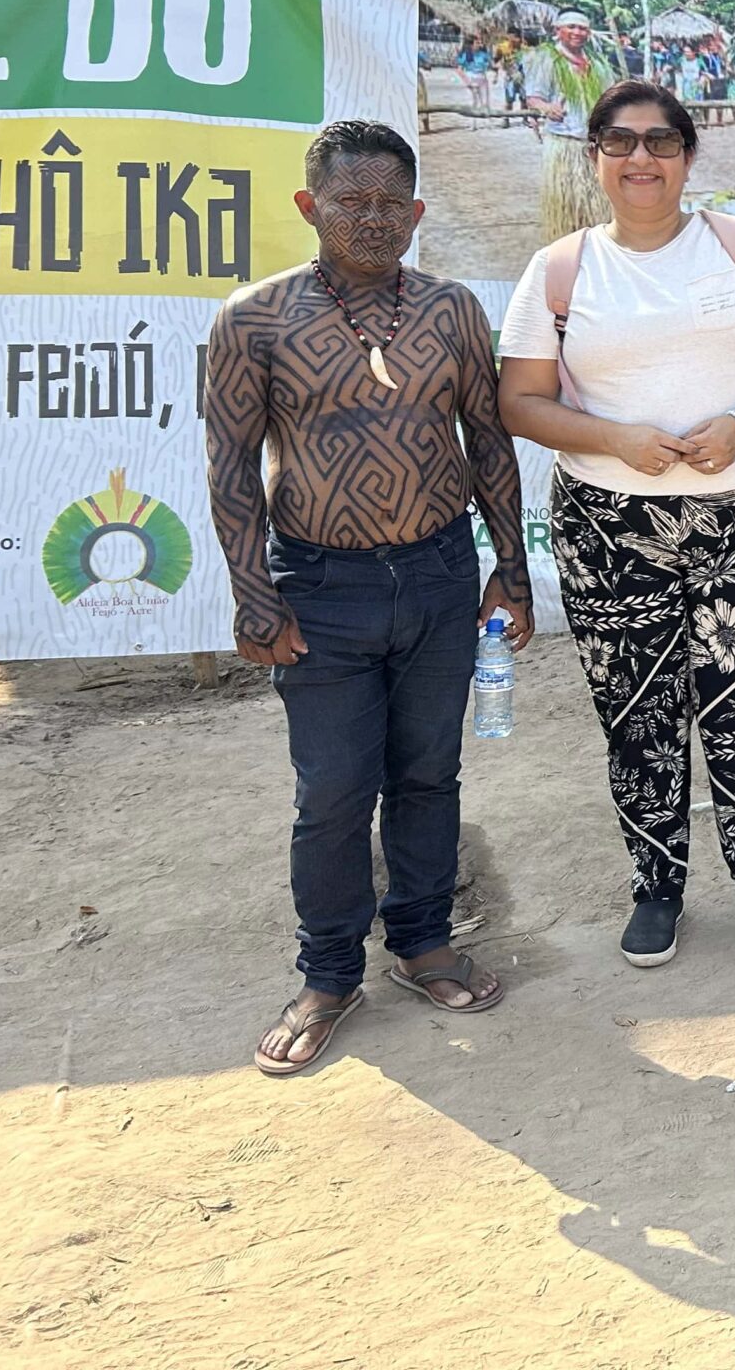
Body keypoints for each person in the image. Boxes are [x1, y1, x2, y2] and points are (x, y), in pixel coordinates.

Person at [205, 120, 532, 1077]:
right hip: (321, 586)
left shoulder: (454, 310)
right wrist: (253, 594)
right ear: (310, 206)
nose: (374, 220)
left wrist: (510, 569)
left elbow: (490, 446)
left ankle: (423, 940)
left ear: (419, 212)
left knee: (429, 774)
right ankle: (328, 973)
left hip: (438, 577)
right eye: (352, 201)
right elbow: (229, 467)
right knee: (335, 792)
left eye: (393, 203)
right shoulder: (254, 320)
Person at [497, 81, 735, 967]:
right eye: (620, 142)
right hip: (608, 526)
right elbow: (521, 401)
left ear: (689, 157)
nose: (641, 159)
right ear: (595, 158)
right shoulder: (562, 269)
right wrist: (613, 436)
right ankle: (657, 887)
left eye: (660, 142)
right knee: (636, 711)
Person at [523, 9, 617, 239]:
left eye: (582, 28)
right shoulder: (547, 59)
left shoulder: (597, 63)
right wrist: (546, 107)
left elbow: (612, 95)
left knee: (598, 205)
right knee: (567, 205)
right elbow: (533, 97)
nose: (577, 32)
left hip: (595, 146)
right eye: (571, 27)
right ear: (558, 30)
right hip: (563, 144)